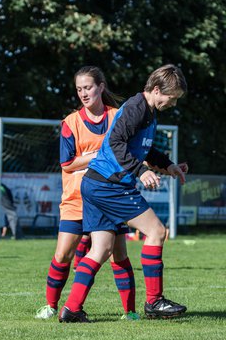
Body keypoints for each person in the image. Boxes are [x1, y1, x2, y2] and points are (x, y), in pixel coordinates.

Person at [59, 64, 189, 323]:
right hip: (110, 185)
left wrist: (168, 166)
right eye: (170, 98)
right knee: (156, 231)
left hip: (96, 184)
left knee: (101, 249)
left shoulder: (148, 111)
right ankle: (154, 301)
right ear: (155, 89)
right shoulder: (136, 108)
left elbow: (145, 149)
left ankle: (71, 309)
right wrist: (140, 171)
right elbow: (116, 141)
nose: (172, 103)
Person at [35, 66, 139, 321]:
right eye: (79, 89)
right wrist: (92, 158)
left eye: (88, 87)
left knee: (119, 255)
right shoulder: (70, 123)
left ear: (101, 87)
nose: (83, 93)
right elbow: (66, 164)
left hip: (109, 198)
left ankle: (131, 312)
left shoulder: (118, 117)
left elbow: (130, 152)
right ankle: (51, 305)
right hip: (76, 200)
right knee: (62, 254)